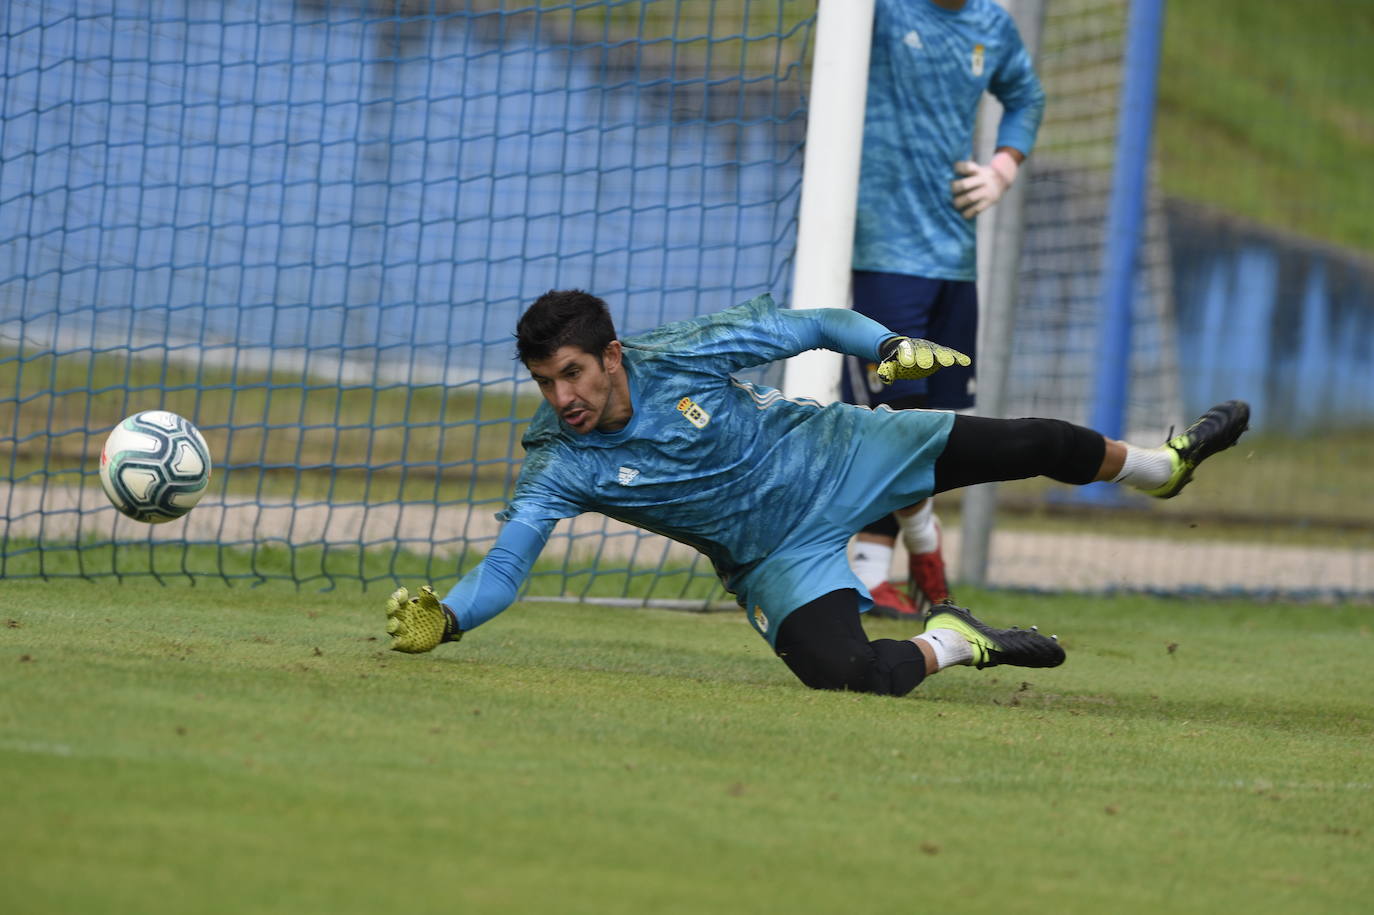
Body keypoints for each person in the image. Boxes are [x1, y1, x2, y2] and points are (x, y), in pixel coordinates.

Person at [385, 290, 1250, 698]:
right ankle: (957, 640)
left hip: (846, 453)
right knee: (849, 674)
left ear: (612, 354)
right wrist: (452, 616)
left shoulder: (680, 352)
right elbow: (507, 566)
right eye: (545, 382)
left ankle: (1159, 468)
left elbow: (812, 326)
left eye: (571, 372)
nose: (562, 396)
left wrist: (886, 346)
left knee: (1034, 441)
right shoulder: (559, 462)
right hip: (774, 559)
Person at [844, 0, 1047, 619]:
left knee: (930, 423)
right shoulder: (876, 11)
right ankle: (915, 568)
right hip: (882, 251)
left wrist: (1003, 169)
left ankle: (879, 580)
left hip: (953, 260)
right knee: (894, 415)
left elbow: (1026, 97)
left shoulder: (991, 23)